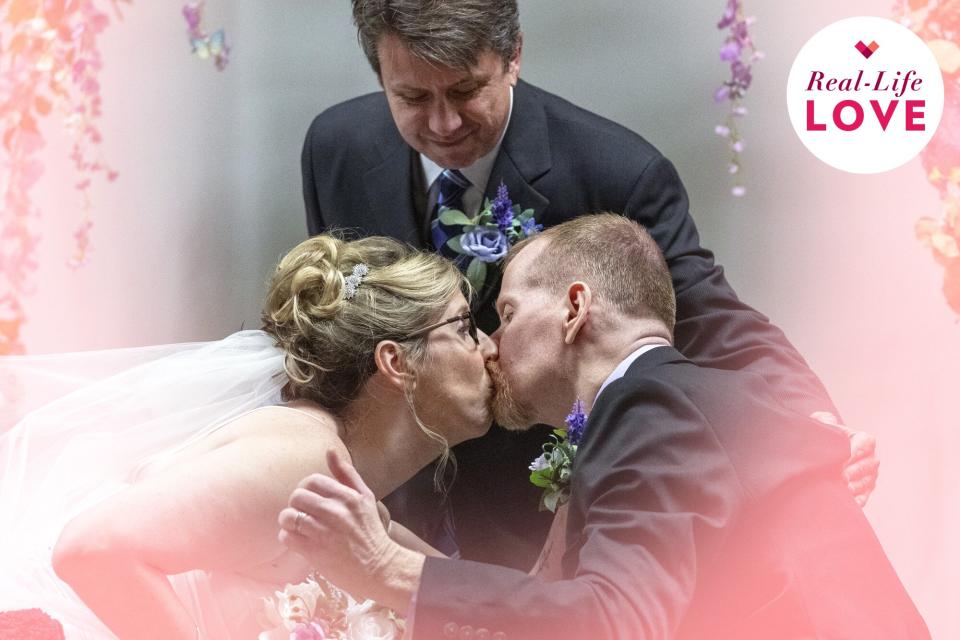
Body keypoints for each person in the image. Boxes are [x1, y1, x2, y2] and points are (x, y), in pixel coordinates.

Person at [300, 0, 878, 569]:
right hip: (390, 507)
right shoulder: (336, 150)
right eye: (413, 98)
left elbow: (713, 322)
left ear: (514, 57)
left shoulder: (618, 172)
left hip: (546, 527)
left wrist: (811, 420)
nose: (444, 123)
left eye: (466, 91)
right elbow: (338, 331)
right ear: (380, 73)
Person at [281, 214, 929, 639]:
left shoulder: (651, 408)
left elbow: (617, 620)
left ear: (574, 308)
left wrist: (388, 568)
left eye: (505, 311)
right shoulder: (702, 402)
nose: (493, 343)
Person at [0, 234, 496, 639]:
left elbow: (481, 605)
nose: (490, 348)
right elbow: (91, 550)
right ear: (396, 363)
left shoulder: (353, 498)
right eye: (466, 329)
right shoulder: (303, 457)